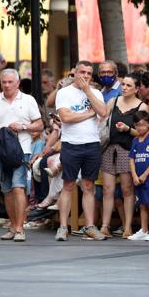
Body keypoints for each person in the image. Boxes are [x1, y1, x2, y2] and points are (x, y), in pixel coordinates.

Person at [0, 69, 43, 241]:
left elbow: (39, 125)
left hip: (21, 150)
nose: (7, 85)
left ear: (17, 83)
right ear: (0, 82)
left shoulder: (28, 100)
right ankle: (13, 225)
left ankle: (20, 228)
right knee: (6, 190)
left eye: (10, 82)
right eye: (4, 82)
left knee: (18, 187)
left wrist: (23, 127)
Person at [54, 61, 108, 241]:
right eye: (82, 72)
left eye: (89, 73)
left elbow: (103, 111)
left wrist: (88, 92)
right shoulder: (64, 93)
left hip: (92, 143)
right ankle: (63, 226)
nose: (85, 76)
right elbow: (65, 117)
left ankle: (90, 226)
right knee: (68, 185)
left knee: (89, 186)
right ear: (74, 73)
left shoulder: (96, 93)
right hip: (71, 144)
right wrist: (89, 114)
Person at [100, 74, 148, 239]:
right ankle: (105, 226)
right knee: (108, 189)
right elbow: (102, 119)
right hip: (109, 148)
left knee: (127, 189)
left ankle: (127, 226)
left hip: (128, 150)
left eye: (129, 85)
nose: (124, 88)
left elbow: (143, 134)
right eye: (123, 85)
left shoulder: (142, 107)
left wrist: (128, 129)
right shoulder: (113, 101)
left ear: (136, 88)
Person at [128, 110, 149, 241]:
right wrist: (135, 176)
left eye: (143, 124)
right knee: (141, 203)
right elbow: (131, 159)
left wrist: (145, 174)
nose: (140, 127)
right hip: (138, 179)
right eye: (137, 125)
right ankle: (143, 230)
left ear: (148, 124)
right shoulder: (135, 140)